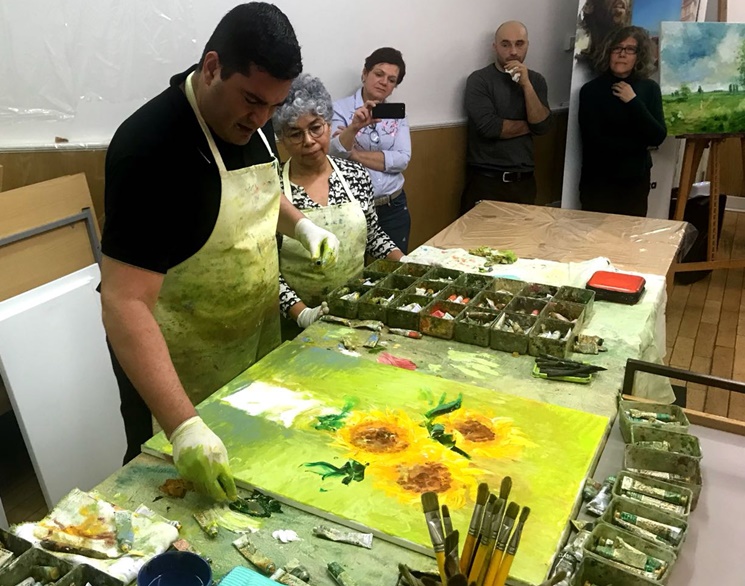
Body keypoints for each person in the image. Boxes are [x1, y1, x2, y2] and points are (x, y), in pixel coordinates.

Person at [100, 3, 340, 501]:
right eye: (252, 101)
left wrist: (302, 226)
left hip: (250, 348)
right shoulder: (150, 148)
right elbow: (124, 302)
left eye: (274, 106)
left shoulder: (252, 122)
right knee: (174, 500)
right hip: (177, 372)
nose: (262, 118)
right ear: (212, 67)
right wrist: (183, 426)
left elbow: (259, 197)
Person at [274, 74, 404, 335]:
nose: (308, 141)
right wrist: (302, 314)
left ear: (329, 125)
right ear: (282, 139)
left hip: (354, 309)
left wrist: (407, 262)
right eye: (295, 133)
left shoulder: (355, 175)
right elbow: (267, 270)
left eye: (315, 128)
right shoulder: (273, 188)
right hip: (294, 323)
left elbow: (372, 236)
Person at [461, 21, 552, 213]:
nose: (513, 51)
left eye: (519, 44)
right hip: (486, 181)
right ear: (495, 47)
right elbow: (491, 128)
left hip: (523, 181)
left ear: (527, 45)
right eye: (505, 44)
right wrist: (531, 125)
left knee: (523, 233)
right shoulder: (479, 80)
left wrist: (526, 85)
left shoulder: (536, 80)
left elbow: (543, 127)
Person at [329, 47, 412, 253]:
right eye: (379, 74)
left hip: (393, 206)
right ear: (365, 74)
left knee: (395, 268)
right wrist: (354, 127)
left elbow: (402, 159)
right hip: (353, 207)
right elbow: (334, 154)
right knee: (354, 268)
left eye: (391, 80)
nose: (384, 82)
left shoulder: (397, 114)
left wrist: (354, 154)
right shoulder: (340, 109)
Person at [578, 26, 666, 217]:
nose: (622, 54)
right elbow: (594, 141)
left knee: (631, 233)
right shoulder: (591, 90)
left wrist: (633, 101)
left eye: (630, 49)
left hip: (635, 182)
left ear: (639, 56)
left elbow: (658, 136)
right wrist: (639, 144)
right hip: (599, 181)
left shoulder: (649, 88)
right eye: (617, 48)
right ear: (608, 52)